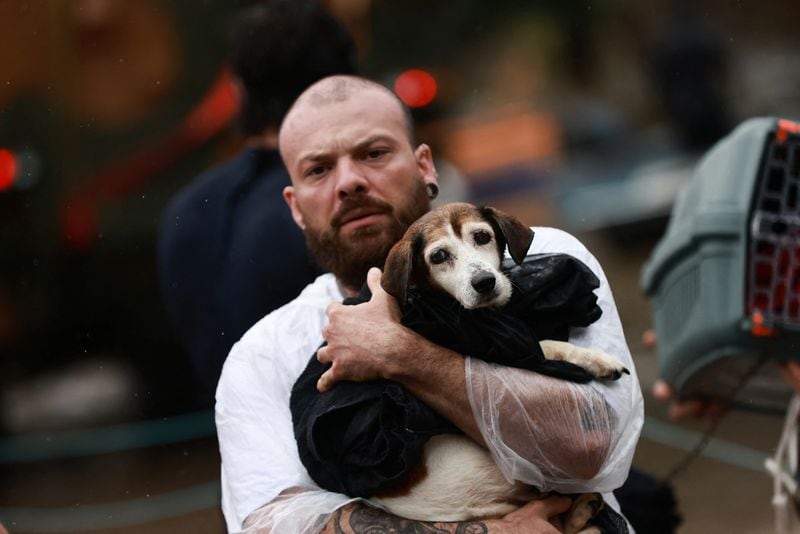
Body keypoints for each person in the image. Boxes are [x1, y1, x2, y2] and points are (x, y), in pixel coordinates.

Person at [215, 75, 644, 533]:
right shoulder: (262, 354)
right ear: (296, 206)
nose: (350, 182)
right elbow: (268, 525)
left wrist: (399, 353)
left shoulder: (544, 265)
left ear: (425, 166)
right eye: (318, 170)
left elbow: (592, 446)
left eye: (374, 153)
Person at [157, 0, 357, 402]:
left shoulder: (183, 211)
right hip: (337, 443)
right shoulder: (337, 202)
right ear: (340, 84)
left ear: (238, 89)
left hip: (235, 444)